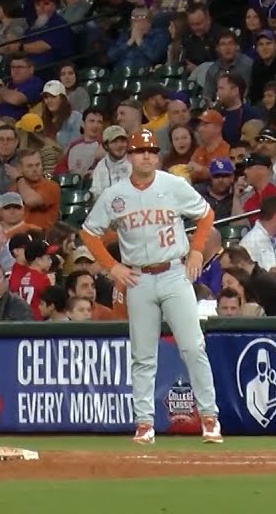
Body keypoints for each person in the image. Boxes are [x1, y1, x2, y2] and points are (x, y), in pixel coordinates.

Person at [79, 129, 223, 445]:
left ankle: (209, 417)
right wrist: (112, 266)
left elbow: (205, 214)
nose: (147, 155)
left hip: (173, 272)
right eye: (140, 151)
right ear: (130, 157)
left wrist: (197, 250)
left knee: (192, 346)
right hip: (139, 278)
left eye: (152, 151)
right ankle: (144, 423)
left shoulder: (174, 185)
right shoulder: (115, 195)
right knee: (143, 355)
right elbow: (88, 233)